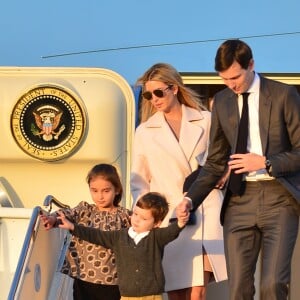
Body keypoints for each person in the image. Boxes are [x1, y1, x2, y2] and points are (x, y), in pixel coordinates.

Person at [178, 39, 300, 300]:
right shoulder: (222, 102)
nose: (230, 84)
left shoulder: (284, 95)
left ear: (251, 65)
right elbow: (215, 161)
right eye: (224, 79)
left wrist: (266, 162)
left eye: (235, 77)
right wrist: (190, 199)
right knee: (238, 290)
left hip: (280, 199)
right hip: (238, 201)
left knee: (273, 285)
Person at [130, 62, 227, 300]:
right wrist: (144, 216)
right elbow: (139, 180)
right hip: (169, 214)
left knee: (197, 290)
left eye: (159, 92)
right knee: (175, 291)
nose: (154, 99)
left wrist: (224, 174)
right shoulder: (145, 131)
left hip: (206, 208)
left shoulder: (206, 119)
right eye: (148, 94)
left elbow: (224, 156)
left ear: (174, 88)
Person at [56, 191, 189, 300]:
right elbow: (96, 235)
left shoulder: (156, 237)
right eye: (135, 214)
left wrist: (181, 222)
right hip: (127, 296)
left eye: (143, 219)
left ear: (157, 223)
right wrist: (72, 226)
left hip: (152, 296)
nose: (136, 219)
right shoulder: (119, 236)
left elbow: (171, 232)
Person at [40, 163, 131, 300]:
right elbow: (66, 214)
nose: (100, 196)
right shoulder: (85, 210)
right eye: (94, 190)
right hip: (83, 277)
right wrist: (52, 219)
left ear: (117, 190)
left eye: (106, 191)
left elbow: (142, 229)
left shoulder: (125, 216)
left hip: (113, 280)